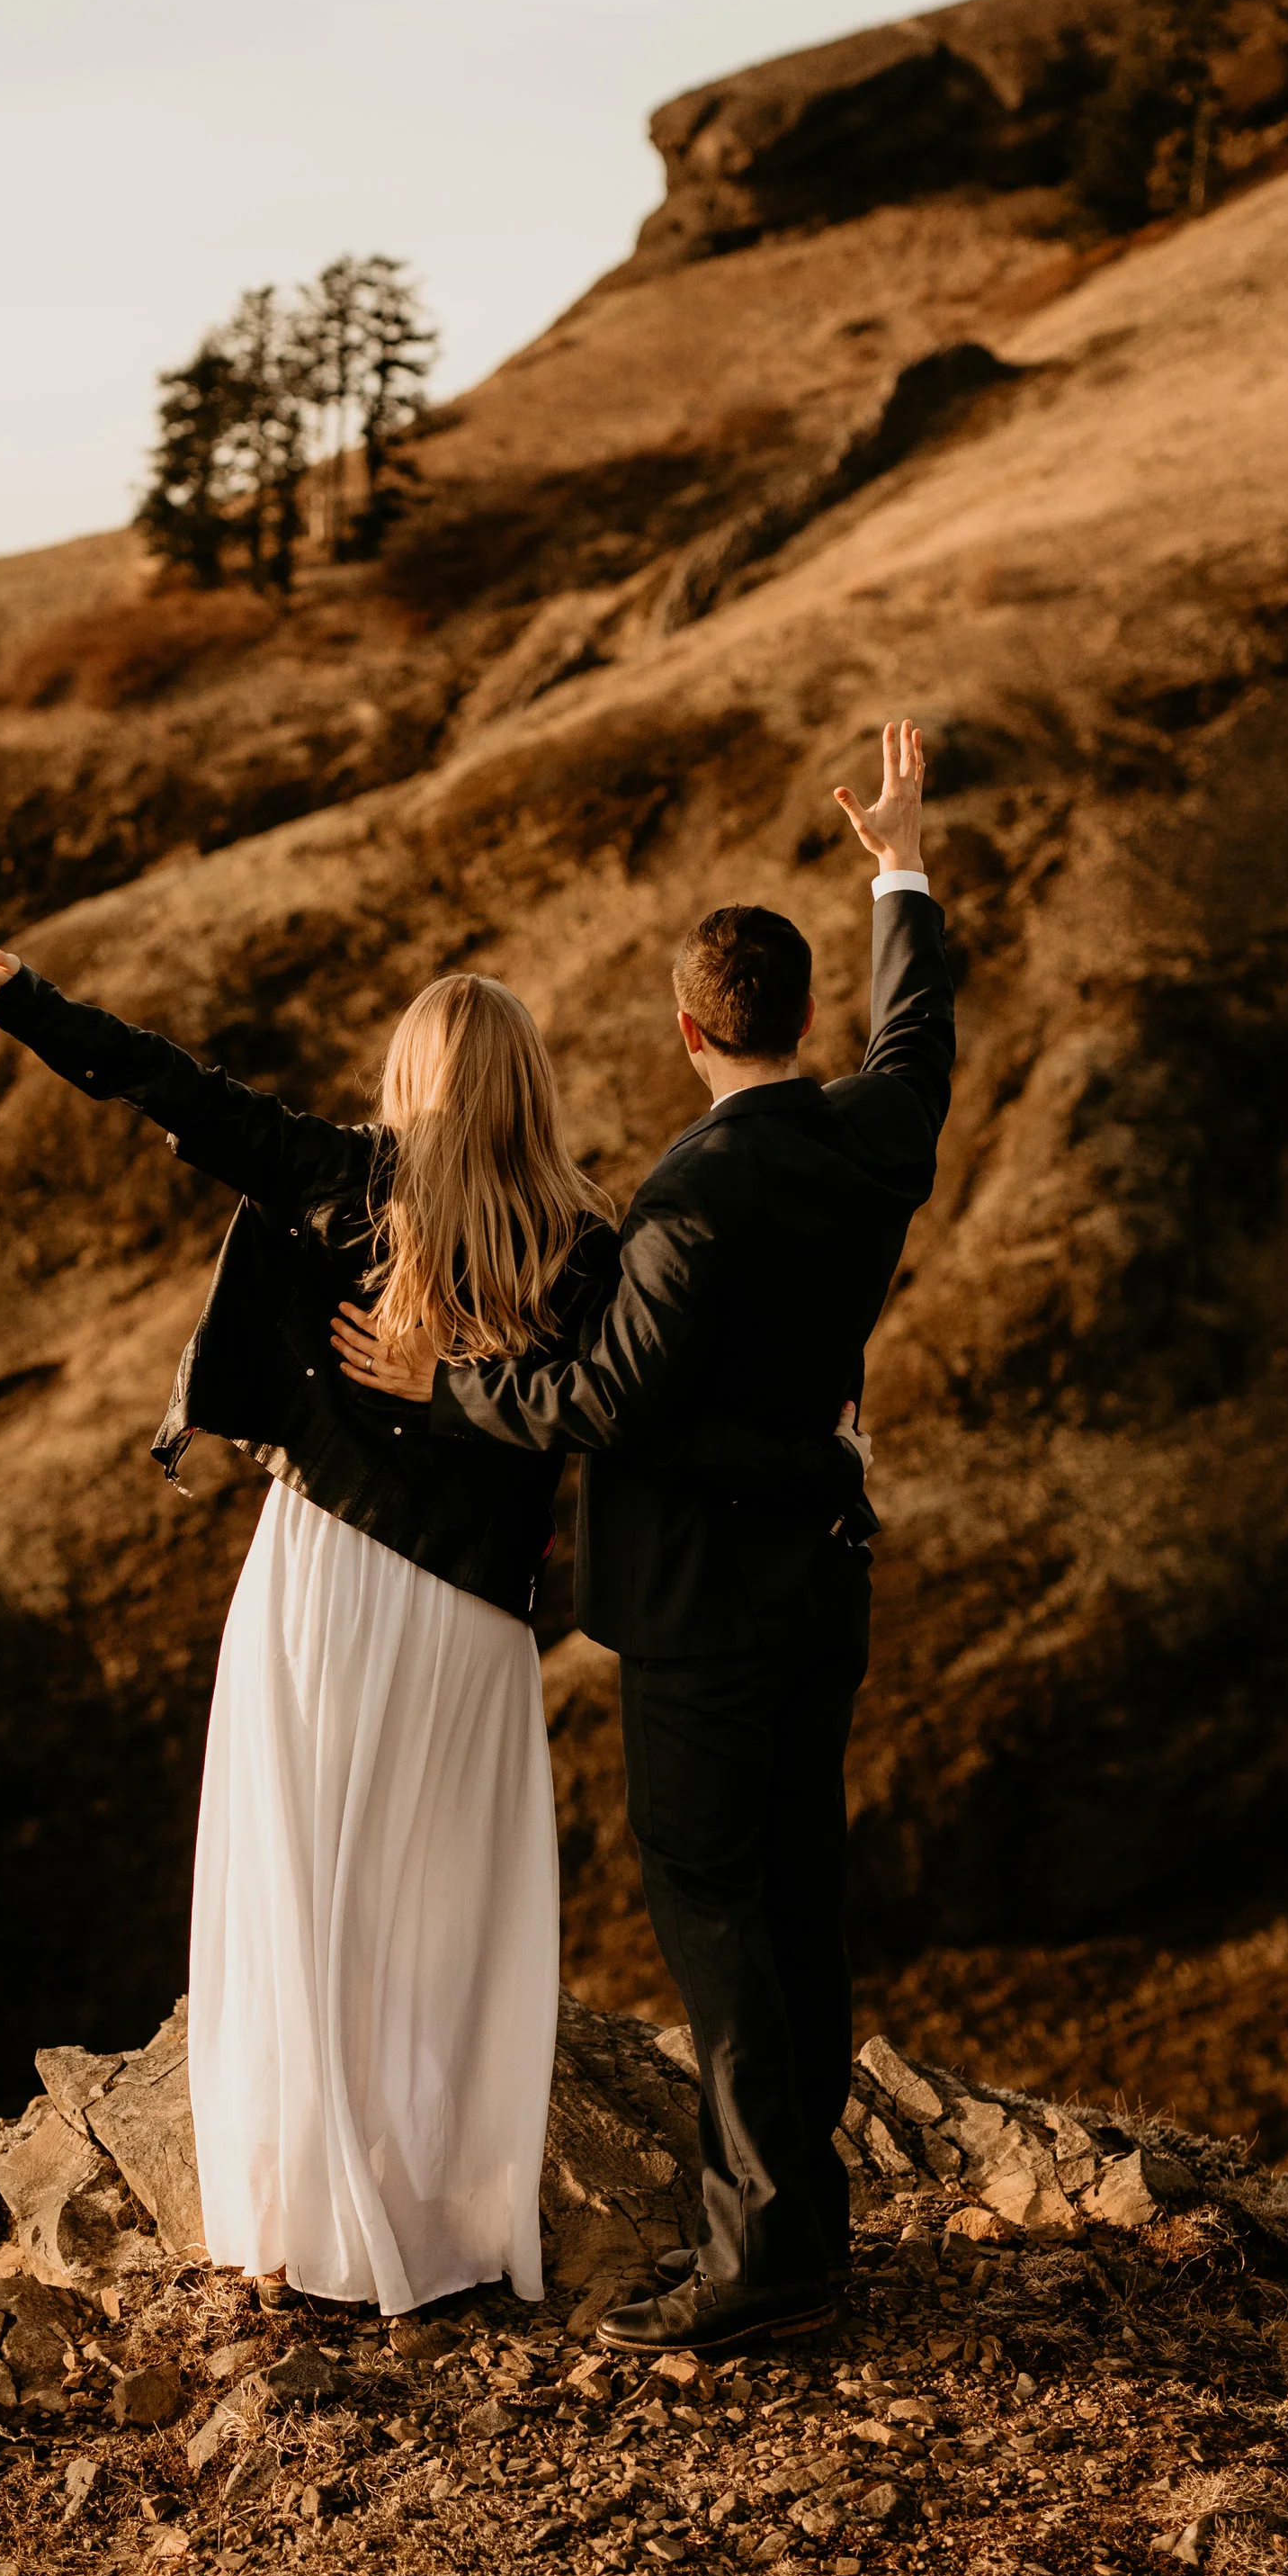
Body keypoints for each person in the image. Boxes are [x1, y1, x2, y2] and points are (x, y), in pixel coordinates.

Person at [336, 720, 953, 2361]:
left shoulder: (687, 1206)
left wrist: (446, 1375)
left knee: (714, 1910)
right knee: (799, 1900)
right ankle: (797, 2225)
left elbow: (594, 1400)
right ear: (801, 1021)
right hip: (822, 1588)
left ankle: (765, 2262)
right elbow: (924, 1037)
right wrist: (902, 864)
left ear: (689, 1030)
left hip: (706, 1618)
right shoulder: (873, 1139)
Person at [0, 942, 616, 2319]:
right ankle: (440, 2210)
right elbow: (614, 1408)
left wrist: (26, 1003)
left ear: (411, 1081)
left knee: (307, 1887)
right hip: (475, 1622)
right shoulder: (583, 1246)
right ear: (529, 1089)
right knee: (438, 1914)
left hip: (330, 1577)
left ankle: (306, 2210)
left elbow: (177, 1089)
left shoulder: (351, 1182)